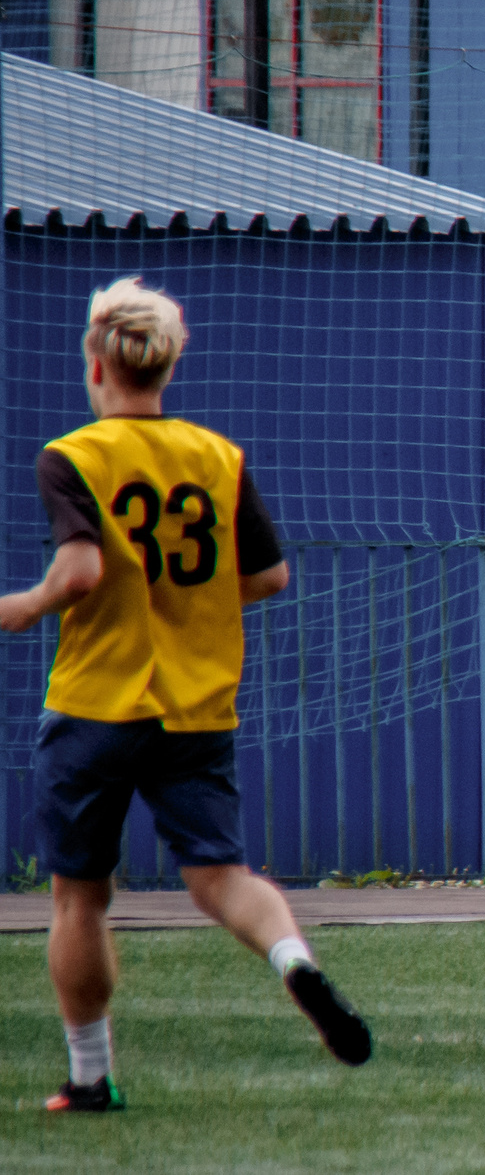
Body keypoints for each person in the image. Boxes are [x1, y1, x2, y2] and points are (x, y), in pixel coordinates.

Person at [0, 279, 371, 1114]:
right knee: (220, 875)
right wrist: (185, 601)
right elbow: (270, 574)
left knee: (79, 896)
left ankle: (90, 1076)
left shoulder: (74, 455)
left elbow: (84, 570)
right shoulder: (216, 456)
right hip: (197, 706)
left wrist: (24, 605)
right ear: (166, 363)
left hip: (97, 703)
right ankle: (294, 962)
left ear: (97, 362)